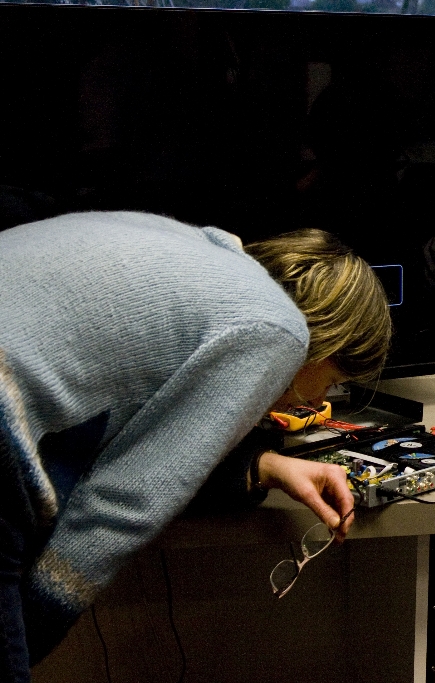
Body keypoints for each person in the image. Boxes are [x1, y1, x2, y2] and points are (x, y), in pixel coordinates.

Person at [0, 211, 391, 681]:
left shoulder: (197, 252)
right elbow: (123, 503)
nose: (320, 400)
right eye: (331, 380)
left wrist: (262, 466)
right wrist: (28, 634)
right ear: (327, 341)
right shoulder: (280, 330)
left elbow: (114, 433)